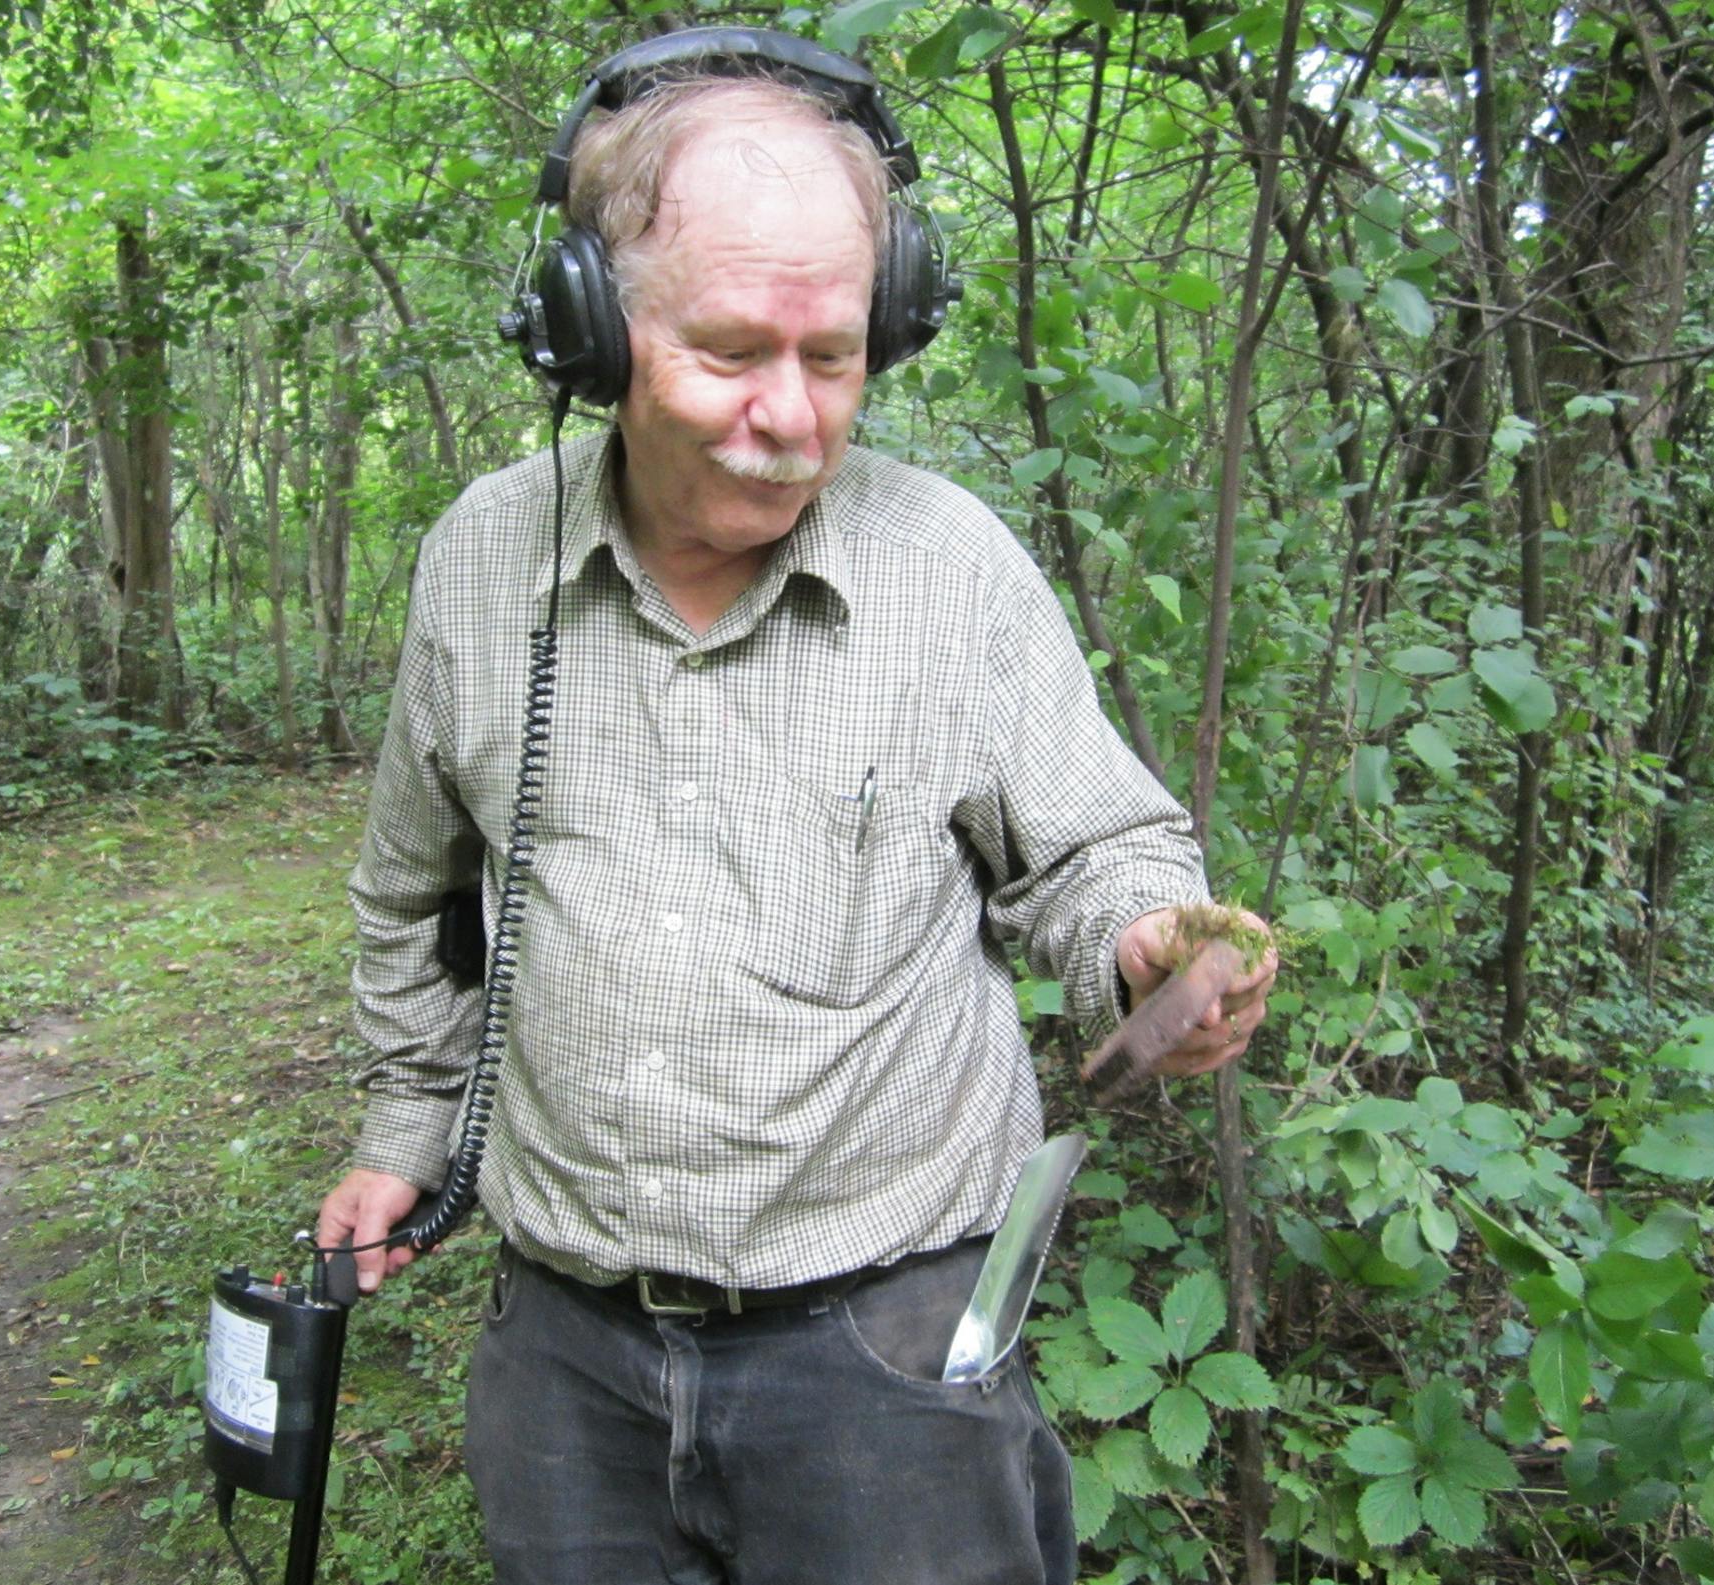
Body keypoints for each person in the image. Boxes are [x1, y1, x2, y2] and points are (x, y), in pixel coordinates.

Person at [318, 38, 1276, 1585]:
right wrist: (403, 1126)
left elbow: (1101, 854)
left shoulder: (949, 570)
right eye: (728, 350)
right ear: (589, 330)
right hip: (565, 1362)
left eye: (832, 357)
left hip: (886, 1363)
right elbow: (412, 896)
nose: (788, 414)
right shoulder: (481, 569)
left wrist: (1155, 942)